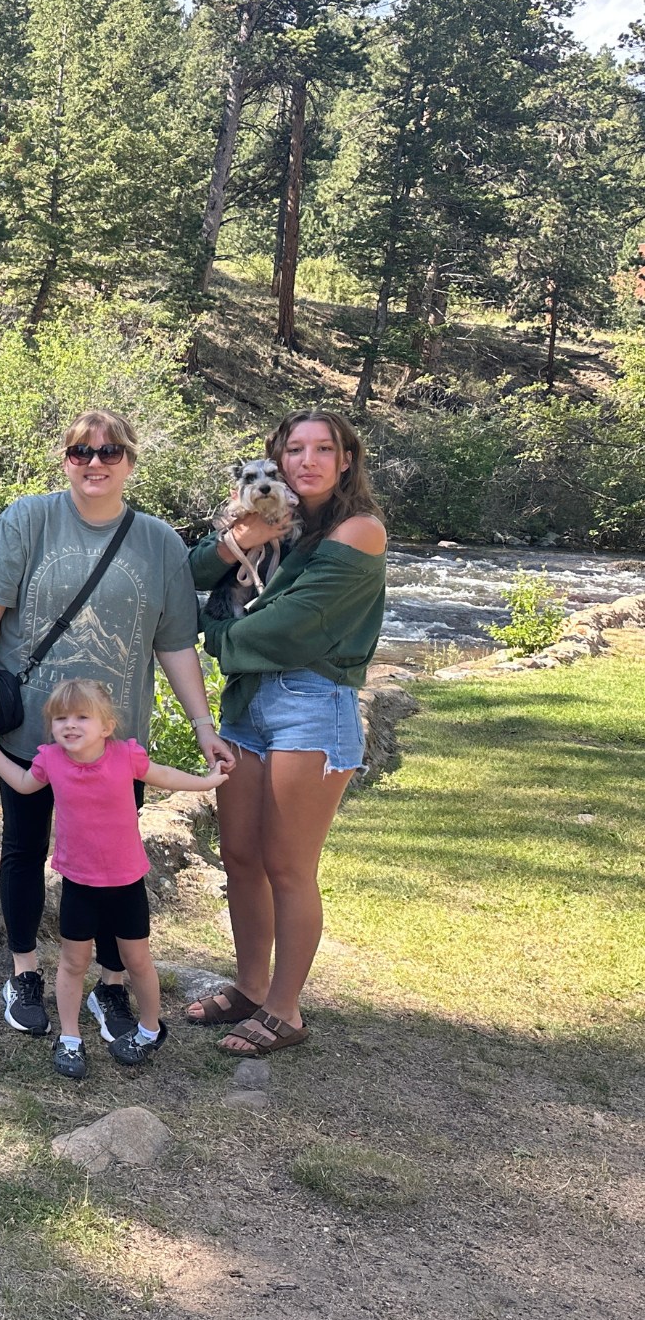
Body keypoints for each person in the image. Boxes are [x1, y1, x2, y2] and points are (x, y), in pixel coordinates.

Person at [0, 410, 232, 1042]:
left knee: (113, 861)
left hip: (116, 743)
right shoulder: (28, 519)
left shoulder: (160, 542)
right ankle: (25, 970)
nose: (95, 463)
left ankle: (112, 983)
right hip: (32, 730)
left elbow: (176, 646)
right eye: (82, 451)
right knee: (25, 849)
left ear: (130, 462)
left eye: (109, 452)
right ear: (65, 459)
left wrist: (202, 724)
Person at [182, 410, 387, 1056]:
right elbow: (191, 573)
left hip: (311, 701)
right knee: (240, 856)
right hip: (248, 704)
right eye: (294, 449)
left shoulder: (359, 532)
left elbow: (279, 629)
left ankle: (285, 1008)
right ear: (276, 459)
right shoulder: (275, 522)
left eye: (324, 449)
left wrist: (209, 636)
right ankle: (249, 986)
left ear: (346, 459)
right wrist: (236, 535)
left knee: (288, 867)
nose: (308, 460)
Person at [0, 679, 226, 1077]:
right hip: (79, 884)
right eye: (61, 718)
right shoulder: (50, 760)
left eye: (82, 717)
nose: (70, 725)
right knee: (73, 963)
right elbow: (21, 784)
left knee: (138, 961)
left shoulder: (126, 756)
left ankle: (149, 1030)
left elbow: (167, 777)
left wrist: (208, 781)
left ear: (106, 726)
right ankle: (70, 1038)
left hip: (126, 884)